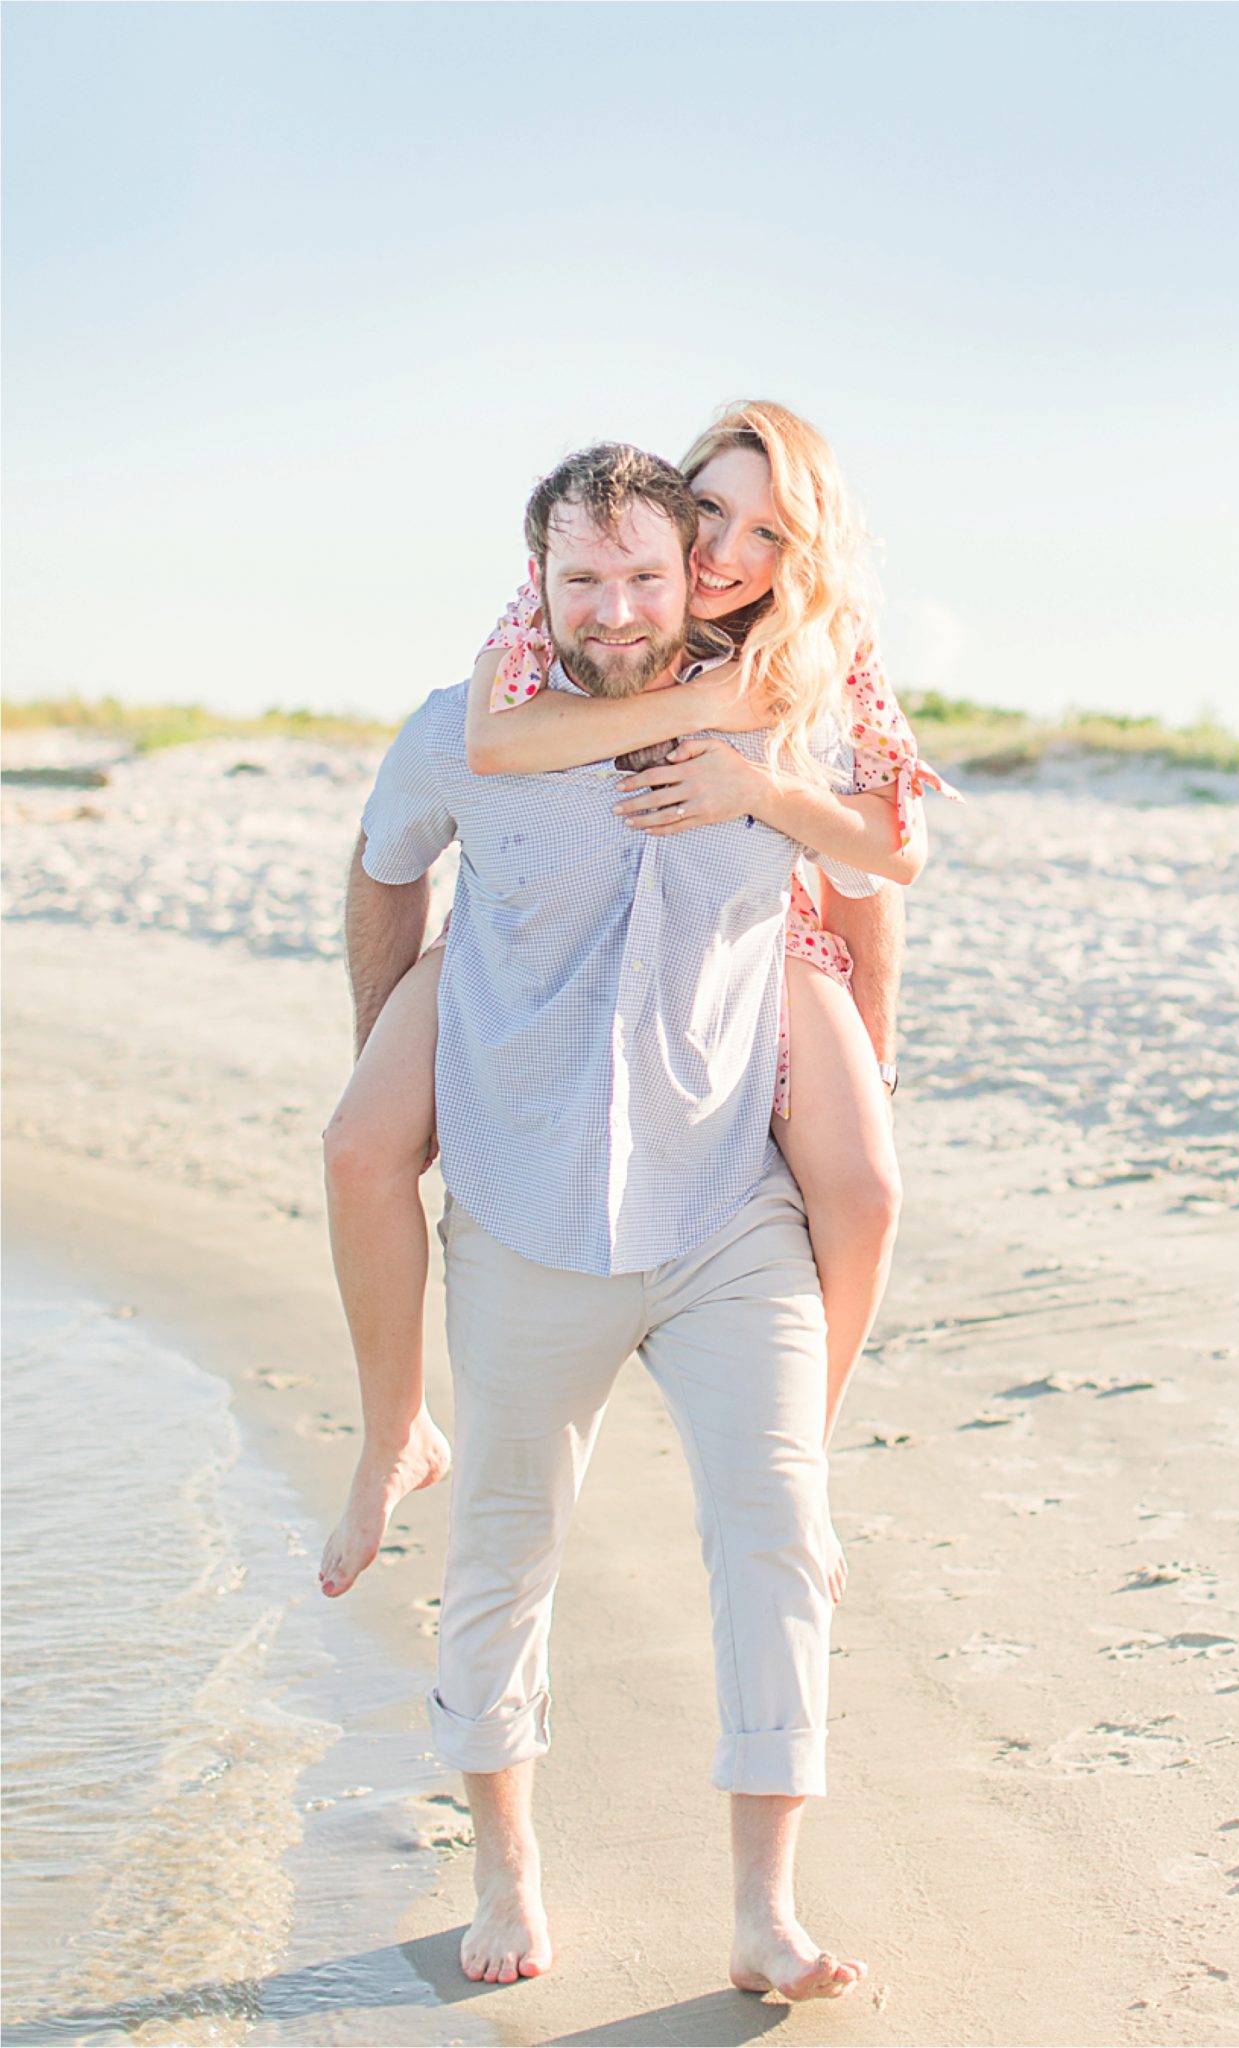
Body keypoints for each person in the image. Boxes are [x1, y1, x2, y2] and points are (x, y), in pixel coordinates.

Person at [348, 441, 889, 1994]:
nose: (618, 601)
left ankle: (763, 1911)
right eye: (582, 577)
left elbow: (872, 883)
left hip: (728, 1207)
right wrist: (403, 1045)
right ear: (541, 581)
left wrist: (876, 1071)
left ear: (688, 570)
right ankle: (507, 1876)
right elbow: (382, 867)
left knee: (778, 1526)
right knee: (504, 1548)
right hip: (526, 1209)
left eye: (645, 571)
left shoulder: (783, 717)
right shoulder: (463, 734)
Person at [320, 402, 957, 1610]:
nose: (723, 551)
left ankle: (798, 1456)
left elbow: (882, 868)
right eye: (707, 509)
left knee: (866, 1186)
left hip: (770, 928)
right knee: (361, 1138)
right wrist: (700, 710)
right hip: (530, 929)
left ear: (804, 558)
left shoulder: (823, 653)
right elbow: (495, 749)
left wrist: (757, 787)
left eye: (765, 534)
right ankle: (392, 1431)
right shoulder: (579, 590)